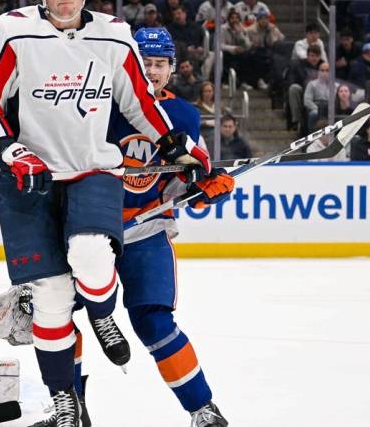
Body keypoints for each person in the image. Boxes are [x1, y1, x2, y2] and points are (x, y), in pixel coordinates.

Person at [0, 0, 210, 425]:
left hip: (92, 169)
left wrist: (175, 145)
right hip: (30, 176)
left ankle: (101, 315)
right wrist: (9, 149)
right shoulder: (13, 29)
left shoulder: (113, 33)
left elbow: (139, 100)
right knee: (52, 299)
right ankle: (65, 404)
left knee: (92, 252)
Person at [32, 26, 231, 427]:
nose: (152, 71)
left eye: (160, 64)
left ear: (172, 69)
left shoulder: (184, 116)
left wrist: (208, 186)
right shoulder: (95, 104)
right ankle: (70, 410)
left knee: (154, 321)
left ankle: (203, 409)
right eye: (145, 63)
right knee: (60, 317)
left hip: (145, 233)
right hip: (86, 230)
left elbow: (185, 179)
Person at [303, 61, 334, 135]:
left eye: (327, 70)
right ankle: (311, 136)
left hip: (329, 109)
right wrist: (318, 109)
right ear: (318, 72)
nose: (324, 73)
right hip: (316, 108)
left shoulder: (335, 86)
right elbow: (307, 101)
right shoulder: (311, 84)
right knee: (314, 114)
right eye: (322, 70)